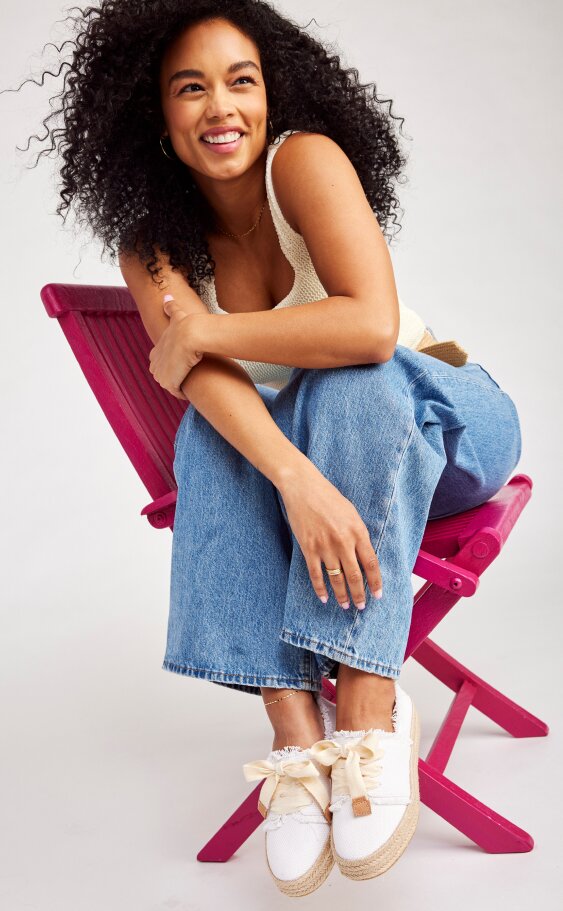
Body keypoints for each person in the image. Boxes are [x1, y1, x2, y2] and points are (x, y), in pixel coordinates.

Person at [13, 0, 522, 897]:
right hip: (328, 470)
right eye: (191, 88)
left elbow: (367, 329)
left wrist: (206, 327)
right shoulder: (153, 246)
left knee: (348, 380)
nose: (222, 107)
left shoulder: (304, 160)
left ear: (269, 91)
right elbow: (201, 381)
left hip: (441, 419)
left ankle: (367, 699)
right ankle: (295, 739)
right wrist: (296, 480)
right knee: (211, 437)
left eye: (240, 81)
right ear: (158, 118)